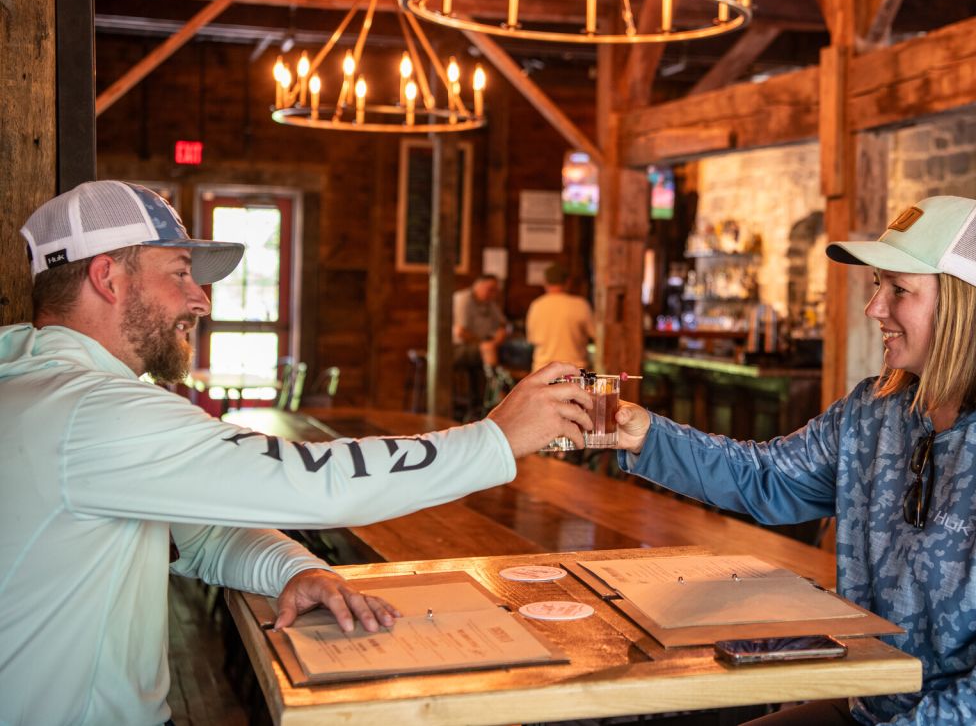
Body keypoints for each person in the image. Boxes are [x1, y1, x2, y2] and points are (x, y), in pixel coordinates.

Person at [0, 180, 593, 725]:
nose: (200, 300)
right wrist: (496, 436)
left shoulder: (38, 383)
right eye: (179, 273)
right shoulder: (90, 414)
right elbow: (316, 481)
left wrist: (298, 569)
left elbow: (203, 534)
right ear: (109, 278)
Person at [613, 196, 976, 725]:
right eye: (879, 285)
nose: (874, 308)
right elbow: (767, 478)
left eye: (900, 290)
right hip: (878, 704)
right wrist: (643, 434)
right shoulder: (878, 410)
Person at [453, 273, 508, 415]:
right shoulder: (463, 299)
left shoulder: (489, 303)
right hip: (456, 349)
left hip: (481, 348)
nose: (493, 293)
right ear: (478, 286)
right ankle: (497, 395)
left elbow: (502, 323)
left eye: (495, 290)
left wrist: (500, 334)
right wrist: (485, 343)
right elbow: (461, 332)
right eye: (490, 289)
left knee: (501, 349)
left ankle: (490, 396)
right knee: (488, 349)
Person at [526, 262, 593, 370]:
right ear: (568, 282)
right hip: (574, 371)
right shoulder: (581, 305)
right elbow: (594, 335)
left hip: (542, 371)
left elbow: (532, 339)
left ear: (545, 282)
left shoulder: (536, 305)